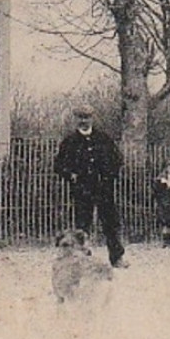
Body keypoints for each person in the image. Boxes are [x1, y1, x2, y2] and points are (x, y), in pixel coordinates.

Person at [53, 106, 126, 268]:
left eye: (87, 117)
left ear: (92, 118)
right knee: (82, 224)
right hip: (82, 188)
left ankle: (117, 257)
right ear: (76, 119)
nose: (84, 121)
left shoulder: (103, 138)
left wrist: (109, 176)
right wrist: (71, 175)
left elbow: (117, 160)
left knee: (110, 223)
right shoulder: (70, 141)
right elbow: (58, 165)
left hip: (104, 187)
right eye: (80, 117)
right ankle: (83, 257)